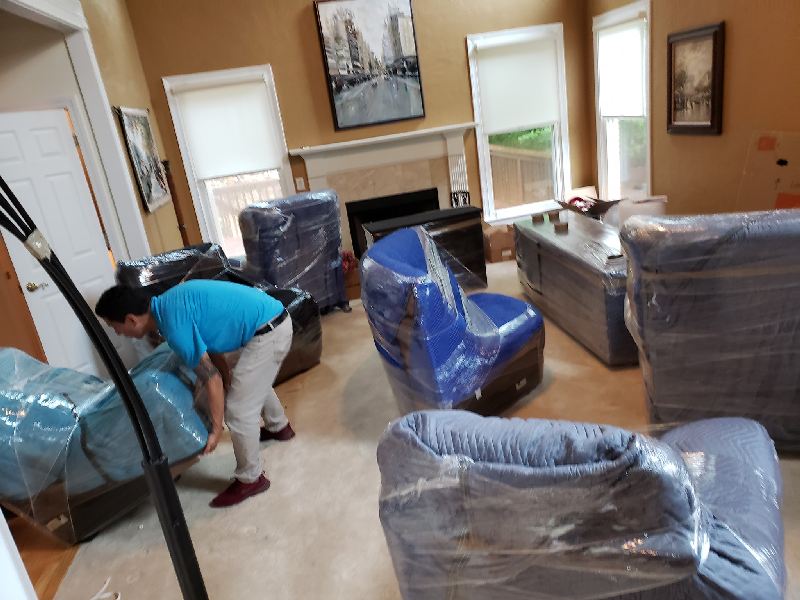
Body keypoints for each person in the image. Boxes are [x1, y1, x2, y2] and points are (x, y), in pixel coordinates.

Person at [95, 279, 295, 508]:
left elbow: (211, 378)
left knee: (238, 413)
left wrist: (216, 428)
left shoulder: (173, 325)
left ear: (131, 319)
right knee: (248, 381)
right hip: (267, 321)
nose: (118, 333)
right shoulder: (167, 304)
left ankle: (251, 479)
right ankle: (279, 428)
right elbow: (209, 348)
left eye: (114, 326)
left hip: (269, 332)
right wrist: (226, 377)